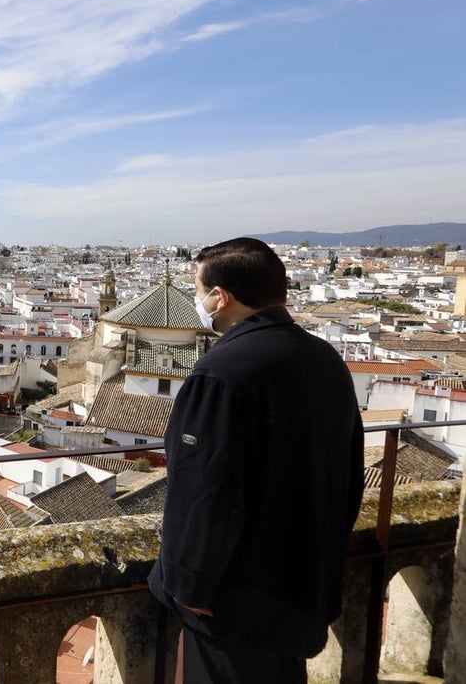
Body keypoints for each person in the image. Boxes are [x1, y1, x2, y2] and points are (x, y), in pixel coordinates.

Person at [147, 237, 364, 683]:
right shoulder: (326, 361)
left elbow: (205, 491)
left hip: (234, 602)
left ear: (220, 296)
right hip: (300, 587)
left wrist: (189, 585)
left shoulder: (223, 372)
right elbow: (349, 476)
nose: (198, 302)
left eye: (198, 290)